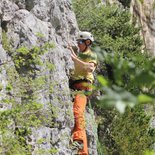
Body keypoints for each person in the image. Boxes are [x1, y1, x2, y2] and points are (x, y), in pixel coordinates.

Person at [68, 31, 97, 155]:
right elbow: (78, 63)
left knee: (78, 112)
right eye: (78, 42)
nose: (78, 44)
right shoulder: (81, 55)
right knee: (73, 112)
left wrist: (74, 57)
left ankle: (80, 145)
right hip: (74, 87)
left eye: (80, 42)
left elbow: (89, 68)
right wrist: (71, 51)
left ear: (87, 42)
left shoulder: (91, 55)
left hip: (83, 88)